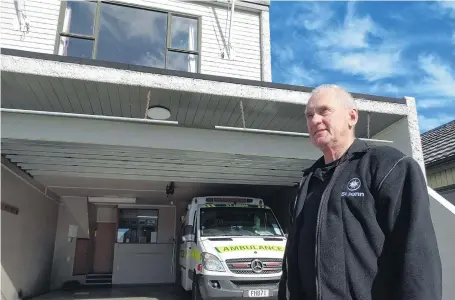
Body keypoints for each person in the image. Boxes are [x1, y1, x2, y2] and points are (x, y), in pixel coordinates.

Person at [278, 84, 442, 300]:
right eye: (309, 115)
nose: (314, 120)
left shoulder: (387, 167)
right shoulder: (308, 184)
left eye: (324, 111)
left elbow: (418, 257)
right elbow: (290, 267)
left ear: (352, 117)